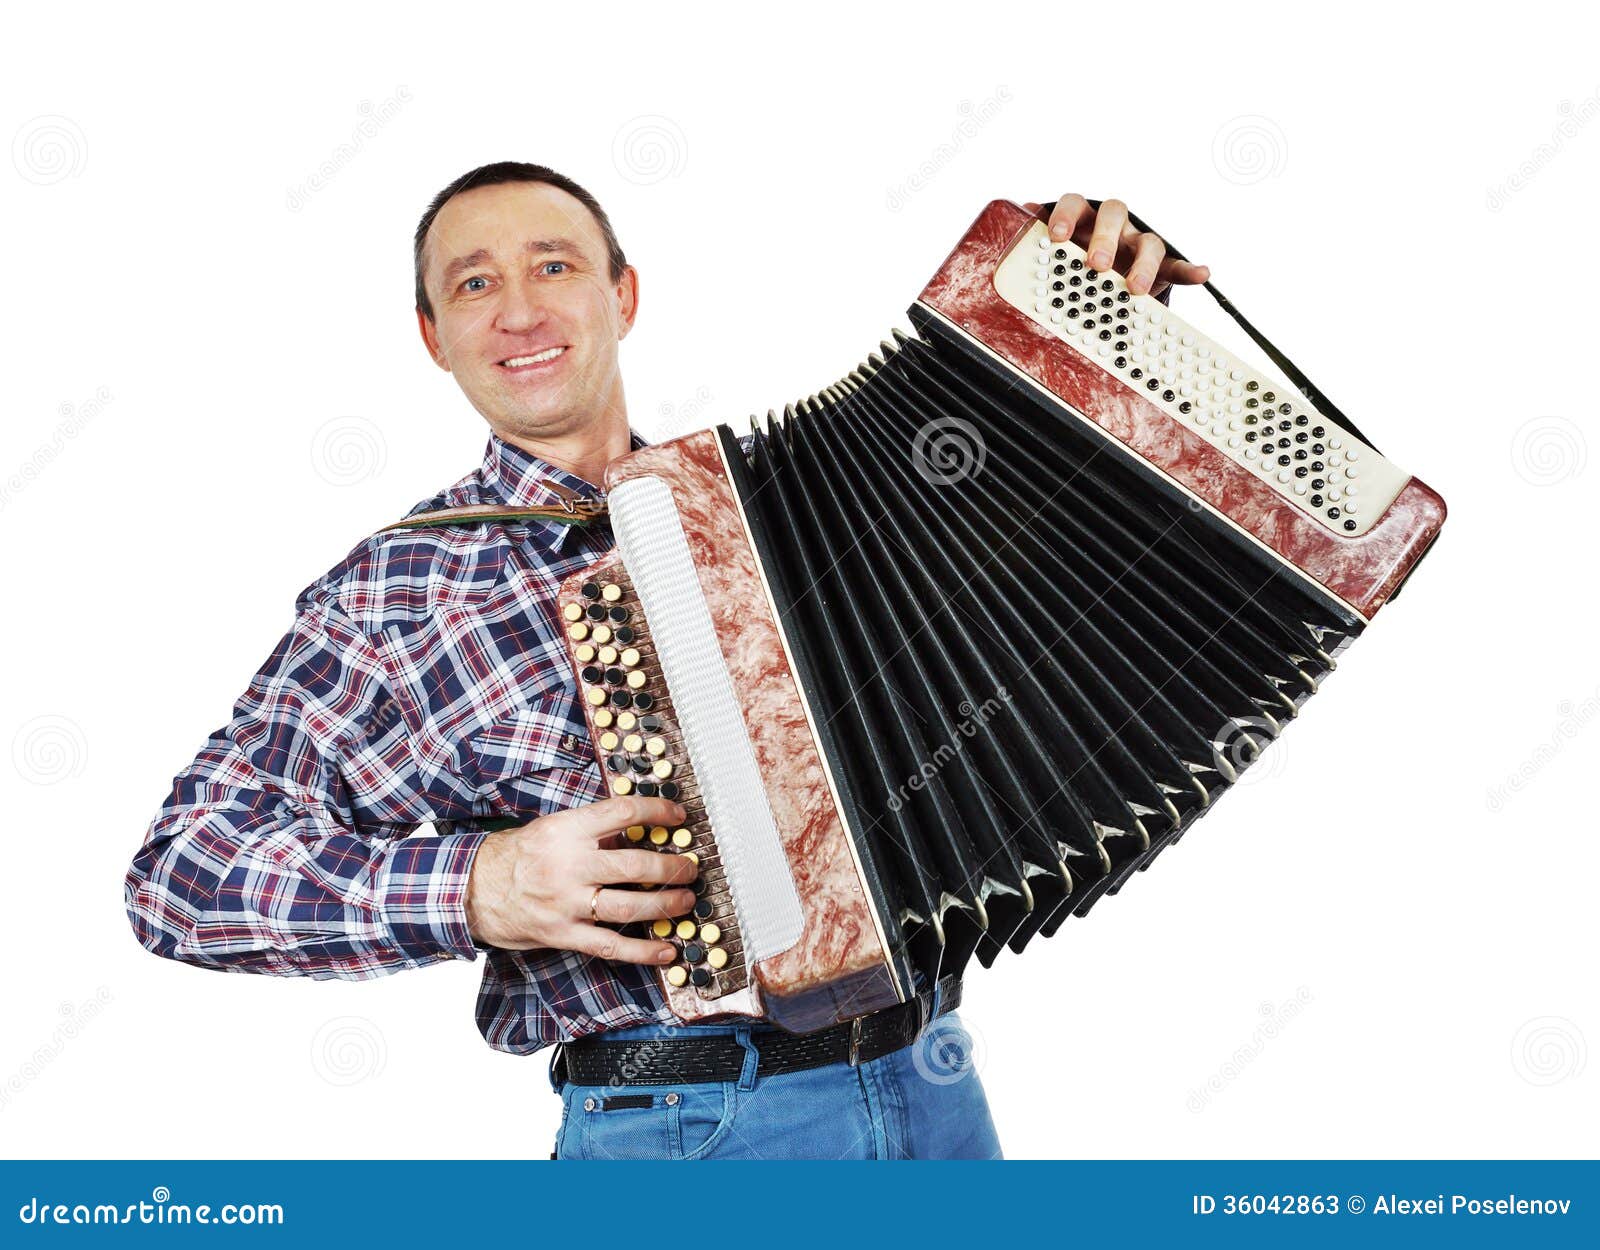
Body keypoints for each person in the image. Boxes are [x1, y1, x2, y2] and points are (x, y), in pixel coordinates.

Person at [124, 162, 1209, 1160]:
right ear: (433, 336)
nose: (519, 308)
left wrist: (1085, 331)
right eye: (472, 284)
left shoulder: (780, 510)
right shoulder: (402, 591)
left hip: (935, 1085)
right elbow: (182, 870)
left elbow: (1017, 586)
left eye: (554, 265)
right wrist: (476, 884)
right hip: (689, 1130)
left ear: (622, 296)